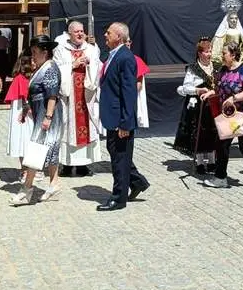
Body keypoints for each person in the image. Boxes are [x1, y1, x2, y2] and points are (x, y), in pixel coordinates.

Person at [97, 22, 149, 211]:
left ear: (118, 36)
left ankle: (118, 198)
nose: (105, 34)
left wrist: (125, 123)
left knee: (120, 157)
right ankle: (137, 182)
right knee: (118, 154)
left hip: (121, 119)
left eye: (108, 32)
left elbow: (129, 93)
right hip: (113, 116)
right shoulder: (114, 55)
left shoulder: (125, 58)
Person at [13, 35, 65, 205]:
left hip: (47, 114)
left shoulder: (50, 68)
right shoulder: (42, 67)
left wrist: (48, 117)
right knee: (48, 148)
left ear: (45, 52)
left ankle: (26, 190)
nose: (32, 56)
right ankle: (54, 183)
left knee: (36, 149)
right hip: (40, 113)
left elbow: (52, 95)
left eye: (35, 52)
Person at [202, 42, 243, 191]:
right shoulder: (222, 70)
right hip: (228, 115)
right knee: (222, 145)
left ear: (233, 55)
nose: (222, 56)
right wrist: (211, 92)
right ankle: (220, 177)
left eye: (224, 53)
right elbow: (218, 88)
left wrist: (234, 98)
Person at [54, 20, 102, 176]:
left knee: (87, 128)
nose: (80, 34)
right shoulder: (60, 49)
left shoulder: (91, 49)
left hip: (86, 95)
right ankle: (67, 165)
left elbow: (98, 66)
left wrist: (90, 64)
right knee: (68, 129)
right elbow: (57, 69)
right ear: (69, 34)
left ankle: (84, 165)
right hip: (69, 97)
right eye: (77, 32)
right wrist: (72, 64)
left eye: (82, 31)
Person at [173, 37, 219, 174]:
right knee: (199, 132)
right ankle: (199, 162)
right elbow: (185, 88)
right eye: (206, 52)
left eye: (210, 51)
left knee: (213, 131)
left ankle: (211, 161)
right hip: (198, 105)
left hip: (213, 104)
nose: (209, 54)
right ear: (199, 53)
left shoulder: (216, 67)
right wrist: (197, 90)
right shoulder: (193, 69)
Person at [5, 52, 33, 197]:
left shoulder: (19, 78)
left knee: (24, 141)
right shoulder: (21, 79)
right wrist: (25, 110)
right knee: (25, 140)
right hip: (24, 113)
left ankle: (25, 169)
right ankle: (26, 170)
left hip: (23, 112)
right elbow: (24, 97)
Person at [211, 0, 243, 65]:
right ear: (227, 20)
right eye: (231, 18)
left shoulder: (239, 32)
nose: (234, 20)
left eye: (235, 18)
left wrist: (241, 58)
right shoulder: (223, 33)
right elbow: (219, 47)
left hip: (238, 59)